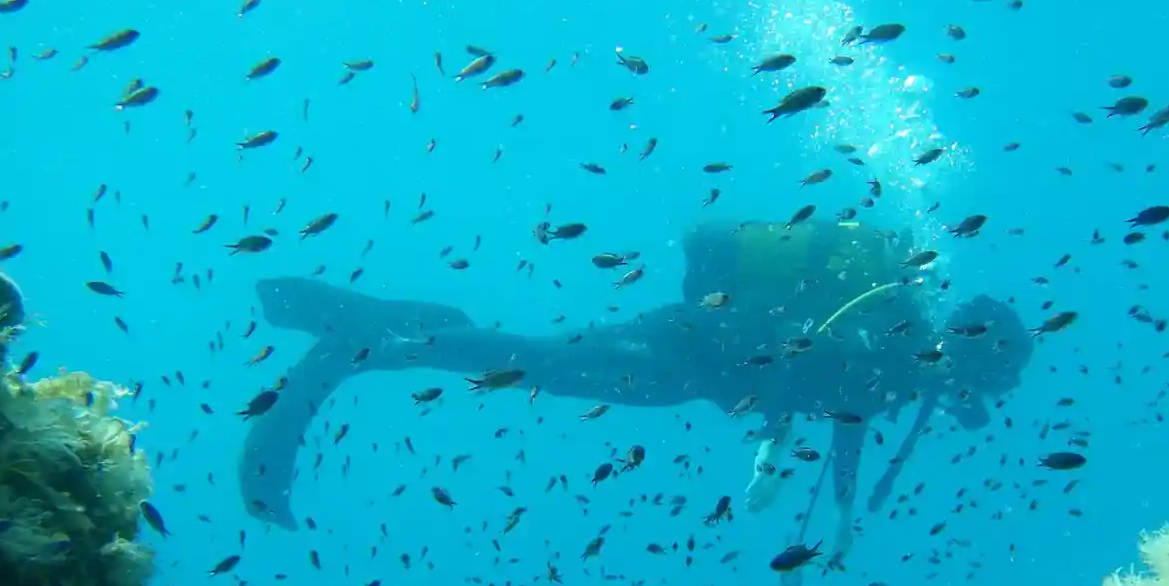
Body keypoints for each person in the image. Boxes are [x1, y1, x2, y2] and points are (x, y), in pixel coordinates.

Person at [237, 217, 1031, 563]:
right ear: (978, 354)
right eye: (995, 377)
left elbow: (839, 401)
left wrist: (836, 509)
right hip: (692, 348)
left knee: (543, 366)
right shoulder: (900, 338)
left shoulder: (904, 354)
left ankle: (395, 340)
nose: (985, 395)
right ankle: (378, 343)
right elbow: (815, 371)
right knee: (542, 362)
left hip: (700, 369)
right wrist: (786, 460)